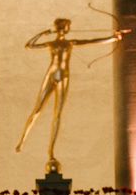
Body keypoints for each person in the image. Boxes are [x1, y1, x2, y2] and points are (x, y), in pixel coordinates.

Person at [16, 17, 128, 173]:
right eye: (66, 26)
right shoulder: (53, 43)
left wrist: (114, 38)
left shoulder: (70, 43)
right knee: (37, 110)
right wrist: (42, 33)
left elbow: (93, 41)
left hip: (63, 77)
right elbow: (29, 45)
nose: (65, 29)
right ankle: (22, 140)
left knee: (57, 113)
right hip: (52, 75)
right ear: (64, 28)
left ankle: (51, 151)